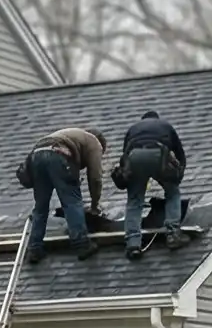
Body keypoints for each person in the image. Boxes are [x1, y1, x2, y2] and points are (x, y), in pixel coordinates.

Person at [20, 125, 105, 260]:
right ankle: (81, 244)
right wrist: (95, 205)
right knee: (72, 202)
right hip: (57, 154)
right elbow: (95, 177)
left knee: (41, 206)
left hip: (36, 156)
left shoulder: (75, 137)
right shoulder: (94, 143)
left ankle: (34, 248)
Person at [115, 109, 188, 259]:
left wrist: (127, 179)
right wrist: (177, 176)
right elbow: (180, 154)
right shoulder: (165, 125)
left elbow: (125, 157)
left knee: (135, 200)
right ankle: (173, 234)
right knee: (172, 193)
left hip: (134, 156)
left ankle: (133, 244)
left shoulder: (133, 128)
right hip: (158, 154)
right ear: (157, 118)